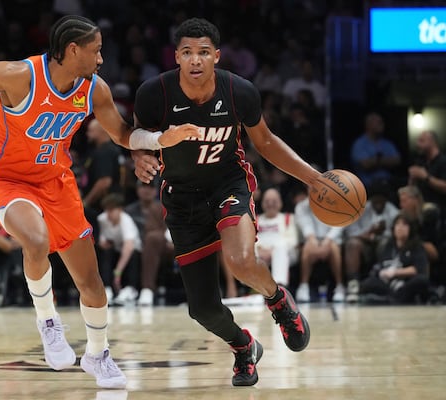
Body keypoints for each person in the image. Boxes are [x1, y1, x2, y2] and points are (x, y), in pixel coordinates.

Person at [0, 14, 198, 389]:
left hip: (56, 182)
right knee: (36, 238)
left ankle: (98, 354)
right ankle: (48, 321)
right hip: (5, 181)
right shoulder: (19, 76)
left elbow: (124, 134)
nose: (101, 60)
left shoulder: (95, 90)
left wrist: (160, 140)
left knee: (91, 282)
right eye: (96, 51)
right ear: (72, 50)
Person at [131, 18, 317, 386]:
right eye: (187, 52)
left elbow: (264, 143)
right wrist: (139, 157)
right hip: (181, 196)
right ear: (176, 57)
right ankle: (243, 346)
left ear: (216, 56)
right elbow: (139, 137)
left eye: (203, 52)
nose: (195, 60)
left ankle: (277, 300)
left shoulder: (238, 91)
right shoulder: (155, 93)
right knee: (202, 310)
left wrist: (313, 178)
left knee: (241, 261)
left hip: (226, 183)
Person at [359, 213, 430, 304]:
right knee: (367, 283)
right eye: (398, 224)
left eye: (404, 224)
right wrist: (382, 272)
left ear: (410, 228)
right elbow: (381, 266)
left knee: (421, 281)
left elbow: (418, 269)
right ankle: (393, 298)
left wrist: (395, 273)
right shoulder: (388, 246)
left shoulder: (416, 246)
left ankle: (390, 299)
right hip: (388, 285)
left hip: (406, 283)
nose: (400, 227)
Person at [294, 196, 346, 303]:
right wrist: (314, 243)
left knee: (334, 248)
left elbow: (339, 225)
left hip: (331, 240)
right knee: (307, 247)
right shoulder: (301, 206)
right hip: (312, 240)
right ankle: (304, 286)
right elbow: (306, 228)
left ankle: (339, 286)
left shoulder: (337, 202)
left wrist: (327, 242)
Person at [96, 193, 141, 305]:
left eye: (111, 210)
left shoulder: (126, 221)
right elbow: (101, 240)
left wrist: (118, 272)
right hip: (115, 250)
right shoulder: (102, 219)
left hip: (131, 252)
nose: (108, 214)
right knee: (105, 253)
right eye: (106, 210)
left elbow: (129, 247)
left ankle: (130, 289)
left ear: (120, 209)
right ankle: (106, 288)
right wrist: (102, 243)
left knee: (133, 254)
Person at [350, 112, 401, 187]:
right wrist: (386, 161)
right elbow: (365, 164)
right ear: (368, 125)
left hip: (388, 184)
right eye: (378, 122)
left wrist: (376, 161)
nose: (382, 125)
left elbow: (397, 161)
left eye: (382, 122)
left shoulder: (387, 143)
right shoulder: (360, 144)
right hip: (368, 186)